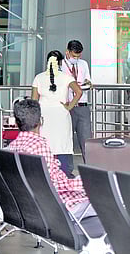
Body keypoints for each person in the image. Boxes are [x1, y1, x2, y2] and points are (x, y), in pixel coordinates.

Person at [8, 99, 104, 235]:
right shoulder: (38, 146)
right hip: (55, 209)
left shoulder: (12, 148)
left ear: (17, 123)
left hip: (27, 208)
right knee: (112, 197)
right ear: (40, 121)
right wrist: (86, 182)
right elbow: (56, 185)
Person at [32, 50, 82, 178]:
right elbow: (79, 92)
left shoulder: (39, 77)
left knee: (45, 145)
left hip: (44, 116)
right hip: (61, 115)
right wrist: (69, 106)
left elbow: (33, 101)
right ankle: (64, 175)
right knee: (62, 145)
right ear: (60, 63)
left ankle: (44, 175)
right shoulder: (66, 77)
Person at [61, 40, 92, 165]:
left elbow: (88, 80)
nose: (76, 58)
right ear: (67, 52)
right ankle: (67, 169)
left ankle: (90, 170)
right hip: (68, 106)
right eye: (74, 56)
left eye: (79, 56)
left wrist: (87, 83)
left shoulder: (83, 64)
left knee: (87, 142)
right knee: (66, 141)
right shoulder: (60, 65)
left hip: (83, 106)